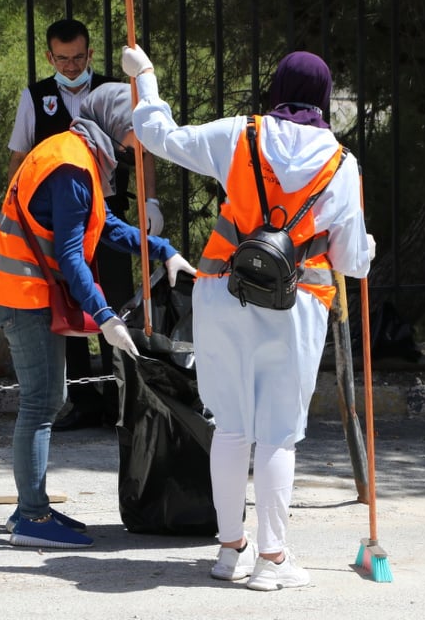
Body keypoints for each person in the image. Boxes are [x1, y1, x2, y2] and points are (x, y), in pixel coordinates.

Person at [122, 47, 375, 589]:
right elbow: (353, 261)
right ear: (325, 99)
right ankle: (273, 560)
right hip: (296, 305)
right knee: (279, 436)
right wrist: (368, 246)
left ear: (277, 88)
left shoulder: (242, 134)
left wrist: (145, 79)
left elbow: (161, 137)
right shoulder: (341, 163)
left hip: (223, 293)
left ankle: (230, 550)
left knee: (232, 429)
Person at [0, 82, 196, 548]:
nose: (147, 137)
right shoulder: (74, 166)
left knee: (47, 399)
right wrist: (104, 314)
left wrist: (163, 250)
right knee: (41, 403)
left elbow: (104, 224)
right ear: (120, 124)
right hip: (20, 292)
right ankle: (31, 520)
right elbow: (72, 254)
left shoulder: (79, 152)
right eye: (143, 127)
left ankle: (32, 508)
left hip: (20, 288)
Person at [7, 18, 165, 431]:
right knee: (69, 300)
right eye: (63, 59)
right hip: (54, 217)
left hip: (106, 206)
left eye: (79, 57)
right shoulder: (37, 97)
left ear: (90, 53)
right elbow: (19, 156)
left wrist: (151, 200)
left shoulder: (114, 91)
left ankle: (118, 397)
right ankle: (81, 398)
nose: (72, 65)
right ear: (49, 57)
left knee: (113, 300)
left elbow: (145, 146)